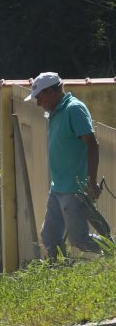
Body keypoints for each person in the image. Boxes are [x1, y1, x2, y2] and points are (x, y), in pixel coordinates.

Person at [27, 72, 103, 258]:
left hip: (73, 189)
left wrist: (91, 181)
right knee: (49, 236)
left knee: (80, 240)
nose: (38, 103)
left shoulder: (74, 109)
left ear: (51, 92)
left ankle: (112, 250)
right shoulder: (55, 111)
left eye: (39, 97)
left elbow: (92, 144)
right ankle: (57, 269)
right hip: (57, 187)